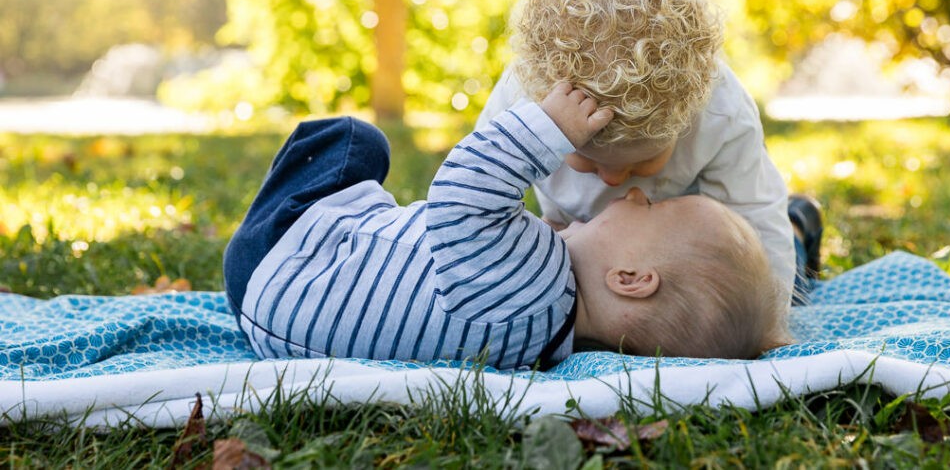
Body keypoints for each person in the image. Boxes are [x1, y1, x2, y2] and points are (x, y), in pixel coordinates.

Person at [223, 83, 791, 370]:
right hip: (279, 316)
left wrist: (549, 126)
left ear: (631, 278)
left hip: (281, 256)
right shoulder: (544, 338)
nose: (639, 194)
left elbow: (458, 189)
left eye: (653, 210)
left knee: (355, 141)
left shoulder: (530, 280)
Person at [475, 0, 823, 304]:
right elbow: (480, 194)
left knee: (732, 289)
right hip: (578, 244)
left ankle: (799, 225)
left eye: (643, 161)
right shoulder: (522, 100)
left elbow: (754, 217)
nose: (612, 181)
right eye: (586, 159)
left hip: (686, 252)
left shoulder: (720, 111)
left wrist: (770, 322)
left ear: (686, 117)